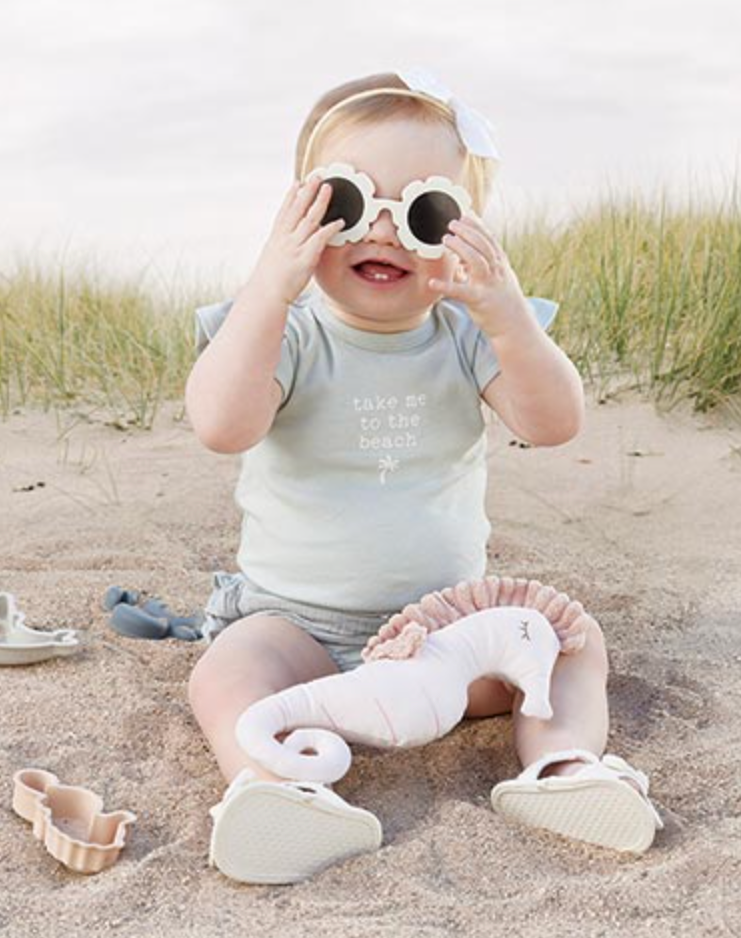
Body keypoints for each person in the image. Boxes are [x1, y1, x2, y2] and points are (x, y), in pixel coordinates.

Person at [185, 67, 663, 886]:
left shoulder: (469, 334)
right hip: (298, 631)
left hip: (445, 637)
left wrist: (506, 314)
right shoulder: (286, 333)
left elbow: (553, 426)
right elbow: (223, 425)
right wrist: (270, 286)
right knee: (226, 671)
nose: (383, 231)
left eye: (425, 212)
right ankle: (269, 784)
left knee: (569, 641)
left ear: (464, 231)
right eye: (344, 204)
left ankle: (562, 767)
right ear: (301, 213)